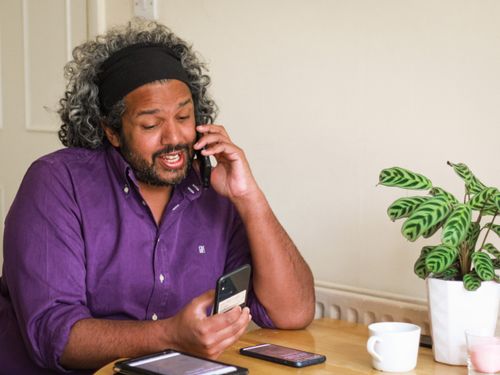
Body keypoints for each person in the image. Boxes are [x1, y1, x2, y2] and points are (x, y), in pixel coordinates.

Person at [0, 18, 315, 374]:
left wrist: (250, 198)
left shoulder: (214, 187)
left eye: (183, 116)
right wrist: (170, 334)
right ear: (112, 131)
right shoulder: (56, 183)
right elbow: (53, 335)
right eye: (151, 124)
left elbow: (292, 313)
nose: (173, 138)